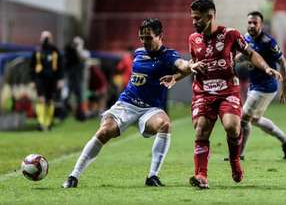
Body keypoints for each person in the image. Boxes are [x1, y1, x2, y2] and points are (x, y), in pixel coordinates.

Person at [160, 0, 282, 189]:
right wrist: (176, 76)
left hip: (227, 90)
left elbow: (251, 54)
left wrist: (266, 69)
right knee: (201, 129)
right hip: (203, 92)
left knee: (233, 127)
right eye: (193, 18)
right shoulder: (193, 39)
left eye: (197, 18)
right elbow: (192, 65)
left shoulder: (230, 34)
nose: (194, 22)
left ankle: (235, 160)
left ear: (210, 16)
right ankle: (201, 175)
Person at [62, 18, 191, 188]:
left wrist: (183, 71)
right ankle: (73, 176)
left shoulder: (168, 55)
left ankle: (152, 176)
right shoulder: (138, 53)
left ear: (160, 36)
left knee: (165, 124)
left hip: (150, 109)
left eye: (149, 37)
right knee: (104, 131)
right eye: (142, 37)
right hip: (127, 104)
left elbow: (183, 65)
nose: (145, 41)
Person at [237, 11, 286, 160]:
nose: (251, 25)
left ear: (261, 25)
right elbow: (245, 55)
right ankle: (285, 139)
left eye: (254, 23)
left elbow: (283, 62)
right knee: (255, 120)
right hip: (255, 85)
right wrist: (234, 61)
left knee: (244, 118)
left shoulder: (268, 42)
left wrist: (285, 87)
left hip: (266, 87)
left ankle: (240, 154)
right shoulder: (247, 37)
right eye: (249, 22)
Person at [30, 31, 64, 131]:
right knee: (41, 99)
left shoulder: (55, 51)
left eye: (48, 37)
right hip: (40, 78)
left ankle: (48, 123)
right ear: (41, 38)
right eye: (44, 37)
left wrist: (60, 79)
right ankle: (41, 123)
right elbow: (32, 67)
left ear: (51, 39)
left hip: (52, 79)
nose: (46, 40)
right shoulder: (37, 51)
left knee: (50, 100)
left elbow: (60, 66)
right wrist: (32, 80)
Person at [64, 36, 90, 121]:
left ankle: (82, 113)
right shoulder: (70, 52)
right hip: (72, 77)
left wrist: (78, 49)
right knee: (69, 96)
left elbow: (81, 57)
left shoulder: (85, 52)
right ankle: (71, 113)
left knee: (81, 96)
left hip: (82, 77)